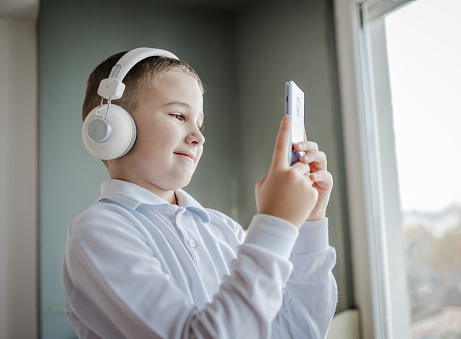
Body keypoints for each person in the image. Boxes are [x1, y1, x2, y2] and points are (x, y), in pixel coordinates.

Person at [62, 47, 338, 339]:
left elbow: (301, 332)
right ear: (114, 127)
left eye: (200, 123)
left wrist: (309, 223)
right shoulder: (97, 231)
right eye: (179, 115)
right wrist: (274, 224)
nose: (199, 136)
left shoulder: (226, 230)